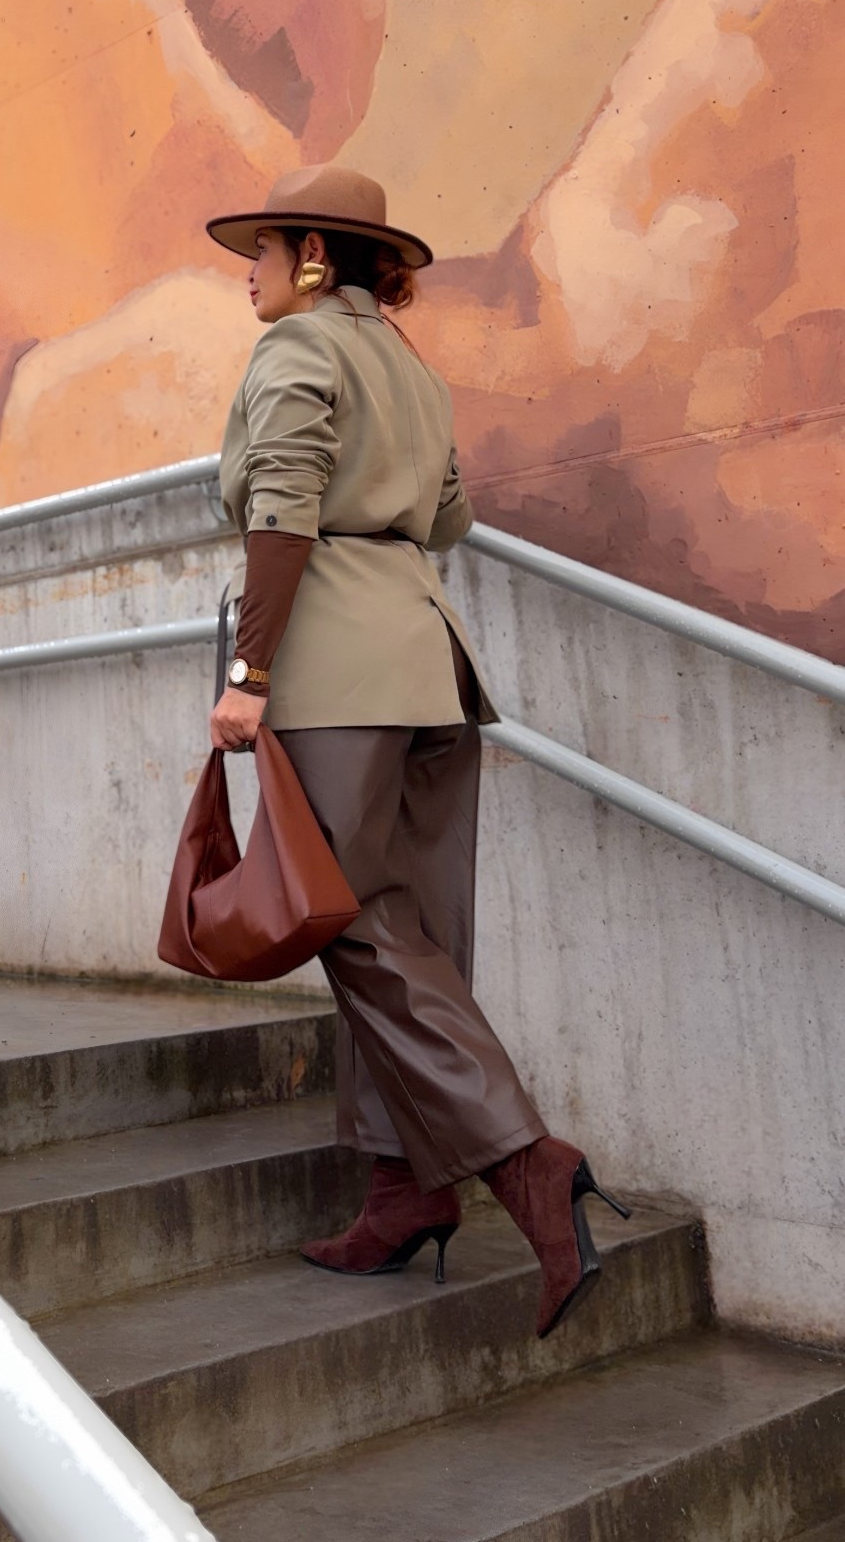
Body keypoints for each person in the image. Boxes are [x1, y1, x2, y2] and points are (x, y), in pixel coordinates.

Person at [206, 164, 629, 1340]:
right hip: (432, 664)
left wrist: (249, 673)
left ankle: (526, 1161)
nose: (243, 272)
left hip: (337, 668)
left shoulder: (295, 353)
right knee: (417, 934)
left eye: (259, 250)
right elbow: (447, 519)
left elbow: (280, 507)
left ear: (308, 256)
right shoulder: (411, 367)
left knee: (348, 919)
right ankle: (404, 1184)